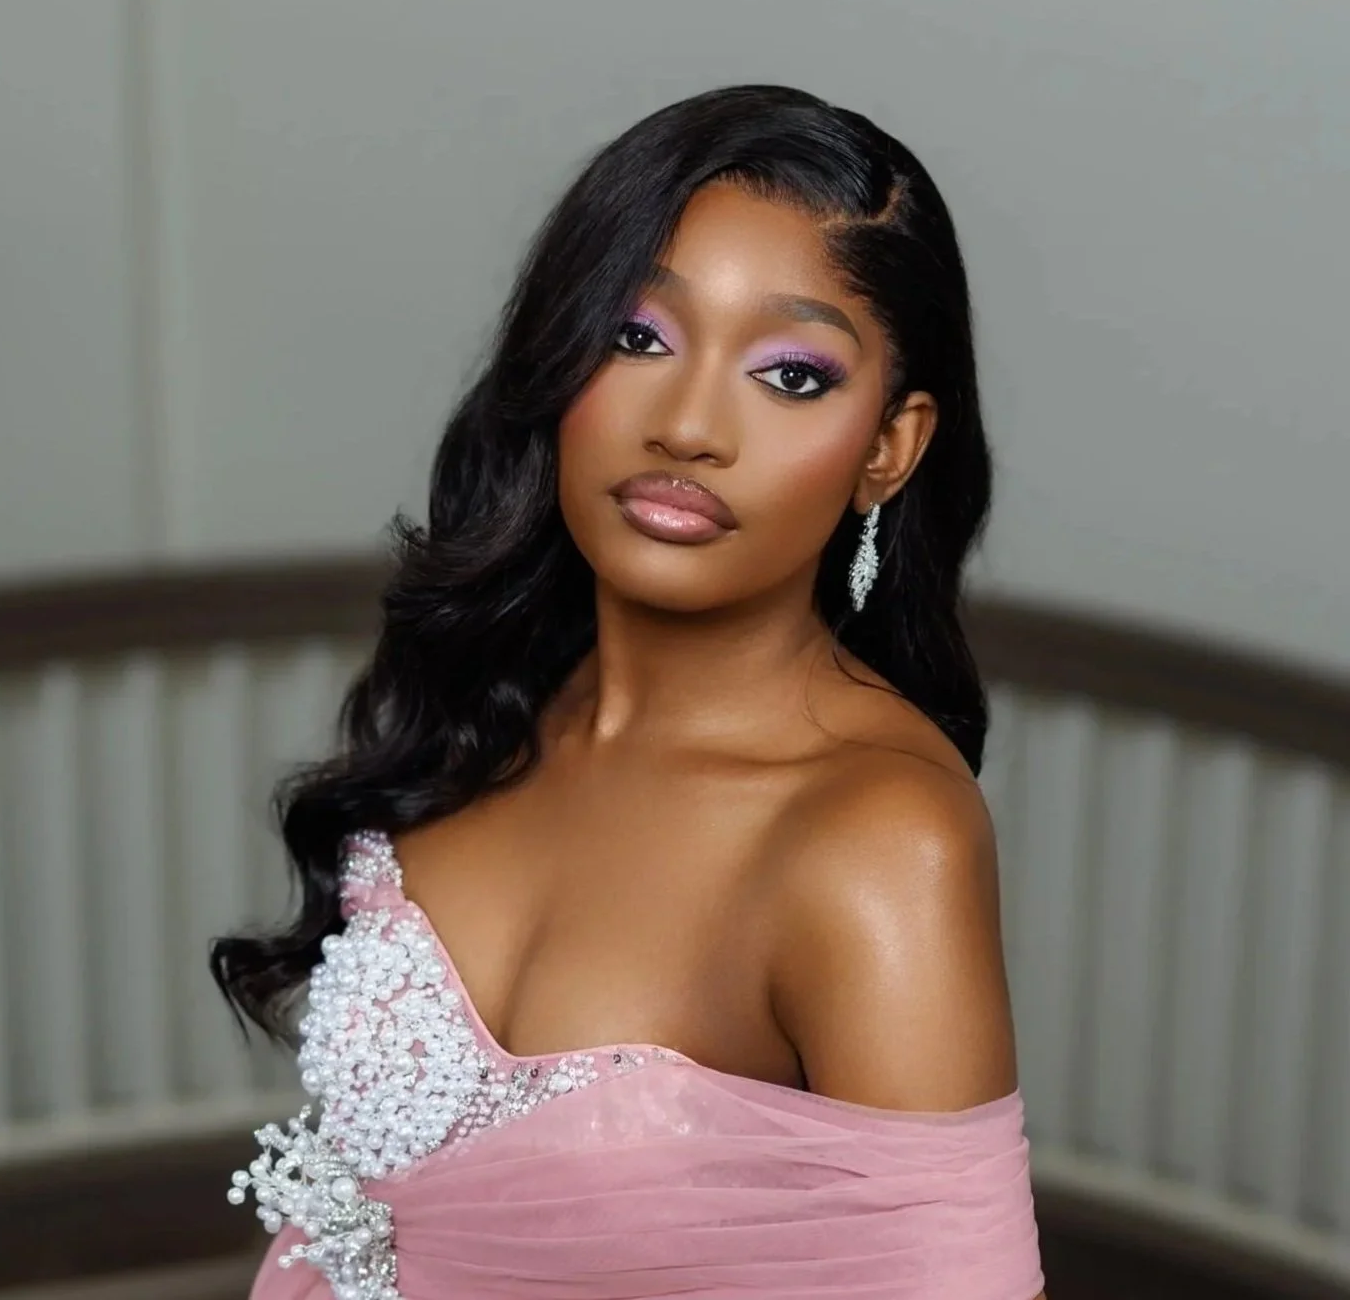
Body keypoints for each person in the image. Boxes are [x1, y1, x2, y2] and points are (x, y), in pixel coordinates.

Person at [212, 83, 1045, 1299]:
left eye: (793, 375)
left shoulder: (876, 842)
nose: (689, 425)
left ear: (889, 446)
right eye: (639, 337)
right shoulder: (492, 710)